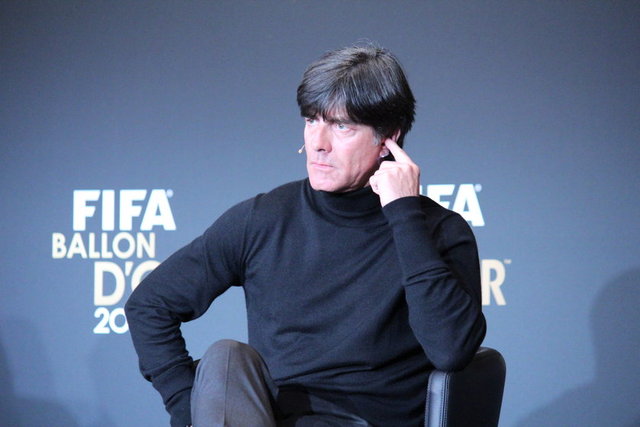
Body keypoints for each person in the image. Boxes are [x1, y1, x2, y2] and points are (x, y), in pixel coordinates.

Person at [125, 44, 486, 427]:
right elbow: (150, 305)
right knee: (225, 358)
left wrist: (403, 215)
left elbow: (451, 351)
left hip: (366, 422)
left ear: (388, 139)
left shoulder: (438, 231)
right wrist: (189, 408)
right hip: (266, 419)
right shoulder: (263, 219)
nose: (318, 143)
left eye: (342, 126)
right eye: (312, 120)